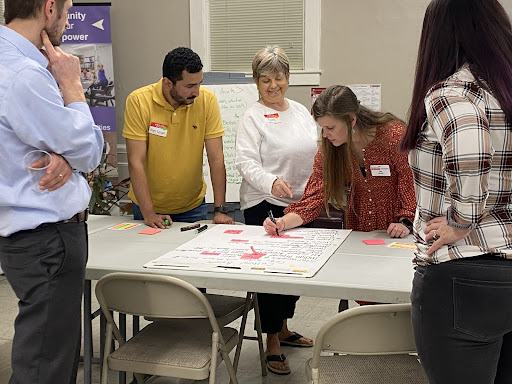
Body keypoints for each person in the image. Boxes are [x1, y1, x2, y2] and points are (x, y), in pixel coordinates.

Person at [402, 1, 512, 383]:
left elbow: (469, 141)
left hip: (462, 271)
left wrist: (462, 220)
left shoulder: (452, 92)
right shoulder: (505, 91)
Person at [0, 0, 104, 383]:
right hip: (49, 240)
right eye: (67, 9)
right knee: (47, 364)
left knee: (43, 353)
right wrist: (73, 86)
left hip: (24, 238)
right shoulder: (26, 73)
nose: (68, 17)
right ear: (49, 8)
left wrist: (66, 153)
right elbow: (91, 150)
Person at [235, 46, 317, 375]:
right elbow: (245, 162)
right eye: (265, 79)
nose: (273, 85)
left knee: (296, 270)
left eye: (279, 78)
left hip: (300, 204)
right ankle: (271, 340)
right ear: (256, 82)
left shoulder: (299, 111)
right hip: (264, 203)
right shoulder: (251, 116)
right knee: (270, 277)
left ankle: (283, 328)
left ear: (288, 78)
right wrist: (270, 183)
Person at [264, 85, 415, 238]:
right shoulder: (329, 149)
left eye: (330, 127)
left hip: (400, 230)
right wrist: (282, 223)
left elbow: (411, 181)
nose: (325, 135)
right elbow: (313, 199)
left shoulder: (393, 135)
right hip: (358, 232)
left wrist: (406, 221)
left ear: (351, 120)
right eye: (322, 128)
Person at [123, 47, 234, 228]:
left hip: (193, 207)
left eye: (199, 83)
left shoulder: (207, 100)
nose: (197, 92)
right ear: (168, 83)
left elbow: (216, 158)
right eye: (190, 86)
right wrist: (149, 213)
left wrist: (220, 210)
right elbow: (136, 161)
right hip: (149, 207)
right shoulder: (139, 101)